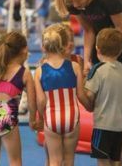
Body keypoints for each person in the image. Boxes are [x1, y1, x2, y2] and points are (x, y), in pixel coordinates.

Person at [55, 0, 122, 162]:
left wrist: (114, 64)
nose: (76, 5)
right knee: (102, 100)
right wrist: (88, 60)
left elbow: (120, 29)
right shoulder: (74, 4)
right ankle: (104, 151)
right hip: (100, 46)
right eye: (71, 2)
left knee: (121, 105)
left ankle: (119, 158)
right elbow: (88, 31)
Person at [34, 24, 92, 166]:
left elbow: (41, 100)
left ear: (44, 47)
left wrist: (42, 118)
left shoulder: (40, 71)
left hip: (52, 117)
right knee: (69, 159)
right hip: (71, 116)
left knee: (55, 161)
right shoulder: (75, 66)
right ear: (63, 45)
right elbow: (80, 94)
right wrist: (90, 107)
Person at [0, 32, 39, 166]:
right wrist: (33, 119)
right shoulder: (24, 73)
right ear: (25, 50)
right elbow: (32, 102)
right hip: (7, 115)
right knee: (15, 161)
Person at [85, 28, 122, 166]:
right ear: (120, 51)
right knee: (113, 161)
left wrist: (82, 82)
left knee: (102, 161)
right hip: (120, 126)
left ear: (97, 49)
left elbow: (89, 96)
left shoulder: (98, 70)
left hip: (103, 125)